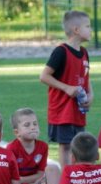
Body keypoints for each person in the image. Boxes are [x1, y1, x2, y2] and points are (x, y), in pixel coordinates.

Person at [40, 10, 94, 170]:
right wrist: (66, 88)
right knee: (65, 146)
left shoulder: (84, 52)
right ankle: (67, 177)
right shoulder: (61, 52)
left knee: (78, 145)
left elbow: (85, 76)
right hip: (62, 110)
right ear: (76, 30)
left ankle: (77, 175)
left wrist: (91, 94)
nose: (91, 30)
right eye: (88, 26)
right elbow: (44, 76)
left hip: (77, 110)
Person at [6, 108, 48, 184]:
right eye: (27, 125)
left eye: (35, 124)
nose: (33, 127)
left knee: (53, 179)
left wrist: (34, 183)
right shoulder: (11, 149)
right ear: (16, 132)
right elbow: (11, 178)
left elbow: (40, 174)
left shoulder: (43, 146)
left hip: (36, 182)